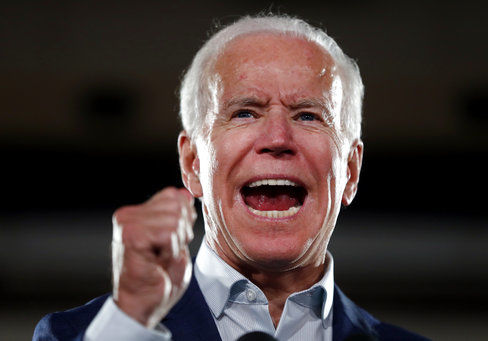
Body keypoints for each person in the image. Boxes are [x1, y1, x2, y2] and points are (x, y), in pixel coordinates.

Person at [33, 15, 429, 341]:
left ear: (350, 171)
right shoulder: (82, 334)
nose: (277, 139)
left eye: (308, 115)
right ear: (192, 164)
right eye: (245, 112)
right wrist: (131, 321)